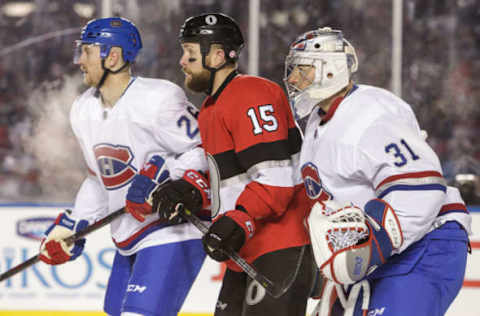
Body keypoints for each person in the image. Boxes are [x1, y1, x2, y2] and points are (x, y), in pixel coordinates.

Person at [284, 27, 472, 316]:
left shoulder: (370, 113)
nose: (293, 79)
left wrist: (366, 248)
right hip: (378, 255)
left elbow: (421, 187)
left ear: (330, 70)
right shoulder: (317, 121)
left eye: (302, 69)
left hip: (423, 245)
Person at [38, 17, 210, 316]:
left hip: (172, 227)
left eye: (87, 52)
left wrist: (163, 174)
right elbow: (97, 180)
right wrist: (74, 225)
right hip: (128, 234)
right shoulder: (82, 109)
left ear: (112, 56)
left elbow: (206, 149)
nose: (80, 61)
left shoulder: (159, 98)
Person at [151, 12, 315, 316]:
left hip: (281, 246)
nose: (182, 62)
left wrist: (241, 219)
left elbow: (276, 179)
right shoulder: (213, 107)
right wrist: (193, 190)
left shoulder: (250, 93)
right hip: (248, 250)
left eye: (189, 53)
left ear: (215, 55)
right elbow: (235, 179)